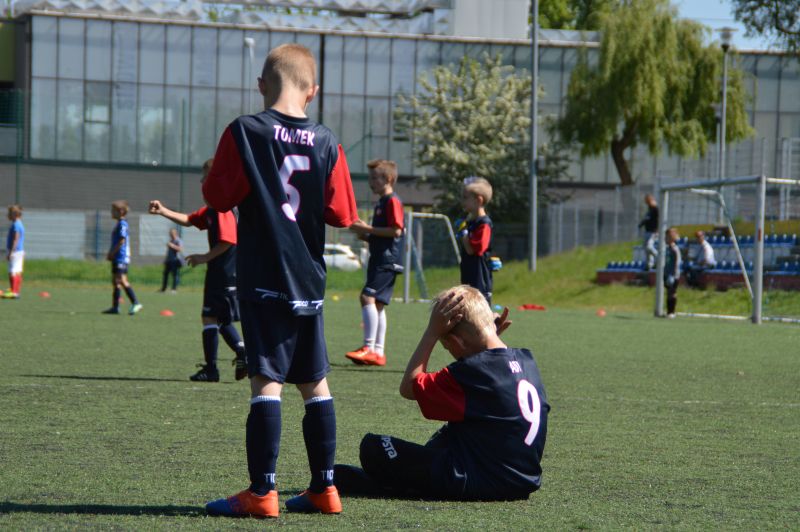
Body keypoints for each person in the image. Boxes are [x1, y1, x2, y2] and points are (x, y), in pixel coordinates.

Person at [200, 43, 359, 518]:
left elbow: (216, 197)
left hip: (265, 276)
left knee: (266, 381)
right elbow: (343, 214)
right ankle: (324, 489)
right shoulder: (328, 140)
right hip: (308, 279)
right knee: (315, 382)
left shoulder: (245, 131)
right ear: (313, 91)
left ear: (261, 86)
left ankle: (262, 492)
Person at [334, 285, 549, 501]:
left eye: (448, 347)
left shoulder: (473, 372)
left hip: (480, 480)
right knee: (449, 433)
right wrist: (487, 335)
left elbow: (409, 387)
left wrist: (432, 332)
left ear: (457, 341)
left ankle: (396, 487)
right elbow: (494, 373)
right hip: (522, 481)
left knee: (375, 447)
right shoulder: (526, 361)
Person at [149, 159, 246, 383]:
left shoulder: (222, 209)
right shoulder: (212, 209)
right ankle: (236, 355)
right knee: (217, 318)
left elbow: (228, 240)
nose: (202, 181)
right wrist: (163, 211)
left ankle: (221, 364)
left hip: (224, 273)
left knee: (212, 317)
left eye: (206, 177)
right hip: (222, 272)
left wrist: (204, 257)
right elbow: (189, 220)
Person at [345, 159, 404, 367]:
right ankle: (378, 352)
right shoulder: (382, 202)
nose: (371, 182)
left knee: (367, 297)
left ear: (388, 179)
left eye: (374, 178)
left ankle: (368, 347)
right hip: (381, 257)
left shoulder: (392, 201)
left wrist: (367, 229)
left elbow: (396, 231)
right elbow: (383, 235)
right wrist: (364, 234)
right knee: (377, 303)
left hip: (387, 260)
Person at [457, 177, 494, 305]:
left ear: (479, 200)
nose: (462, 201)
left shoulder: (484, 223)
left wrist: (464, 233)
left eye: (466, 198)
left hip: (479, 274)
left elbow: (472, 250)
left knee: (480, 306)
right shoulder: (471, 221)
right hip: (468, 269)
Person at [102, 200, 142, 315]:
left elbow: (121, 241)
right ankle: (115, 307)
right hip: (117, 257)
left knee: (122, 280)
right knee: (116, 281)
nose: (111, 212)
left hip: (121, 257)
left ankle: (136, 303)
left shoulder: (122, 224)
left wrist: (112, 253)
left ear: (121, 211)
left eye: (113, 210)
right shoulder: (119, 223)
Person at [4, 204, 24, 299]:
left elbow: (15, 239)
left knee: (12, 271)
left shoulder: (16, 224)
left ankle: (14, 292)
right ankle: (15, 290)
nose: (8, 215)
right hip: (19, 251)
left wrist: (11, 252)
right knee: (17, 271)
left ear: (15, 214)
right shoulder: (19, 223)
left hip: (15, 251)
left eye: (9, 213)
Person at [664, 227, 682, 318]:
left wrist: (674, 275)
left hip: (673, 275)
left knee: (672, 292)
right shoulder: (666, 248)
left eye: (667, 237)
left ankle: (672, 312)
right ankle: (668, 312)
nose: (665, 238)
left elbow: (677, 263)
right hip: (666, 273)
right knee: (668, 293)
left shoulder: (675, 249)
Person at [638, 194, 659, 270]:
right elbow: (647, 219)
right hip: (647, 231)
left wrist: (657, 229)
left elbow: (659, 219)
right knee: (646, 248)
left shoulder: (656, 209)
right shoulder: (649, 209)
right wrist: (641, 224)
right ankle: (649, 264)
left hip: (653, 232)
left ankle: (659, 257)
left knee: (649, 246)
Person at [161, 228, 183, 293]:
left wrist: (172, 245)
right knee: (165, 274)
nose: (170, 235)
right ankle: (163, 289)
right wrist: (166, 259)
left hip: (175, 260)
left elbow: (180, 249)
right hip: (169, 260)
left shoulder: (178, 240)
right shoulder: (171, 241)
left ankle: (174, 289)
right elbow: (169, 252)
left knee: (175, 275)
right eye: (170, 234)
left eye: (172, 234)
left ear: (175, 234)